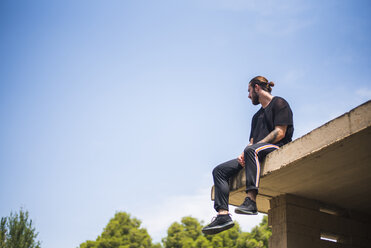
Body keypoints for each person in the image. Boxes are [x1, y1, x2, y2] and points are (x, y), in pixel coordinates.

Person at [202, 76, 294, 235]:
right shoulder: (256, 117)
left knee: (252, 151)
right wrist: (243, 153)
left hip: (276, 147)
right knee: (219, 171)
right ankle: (223, 215)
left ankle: (251, 201)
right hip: (256, 152)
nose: (248, 96)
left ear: (257, 88)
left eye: (249, 91)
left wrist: (253, 148)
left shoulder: (279, 103)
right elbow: (252, 142)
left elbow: (280, 132)